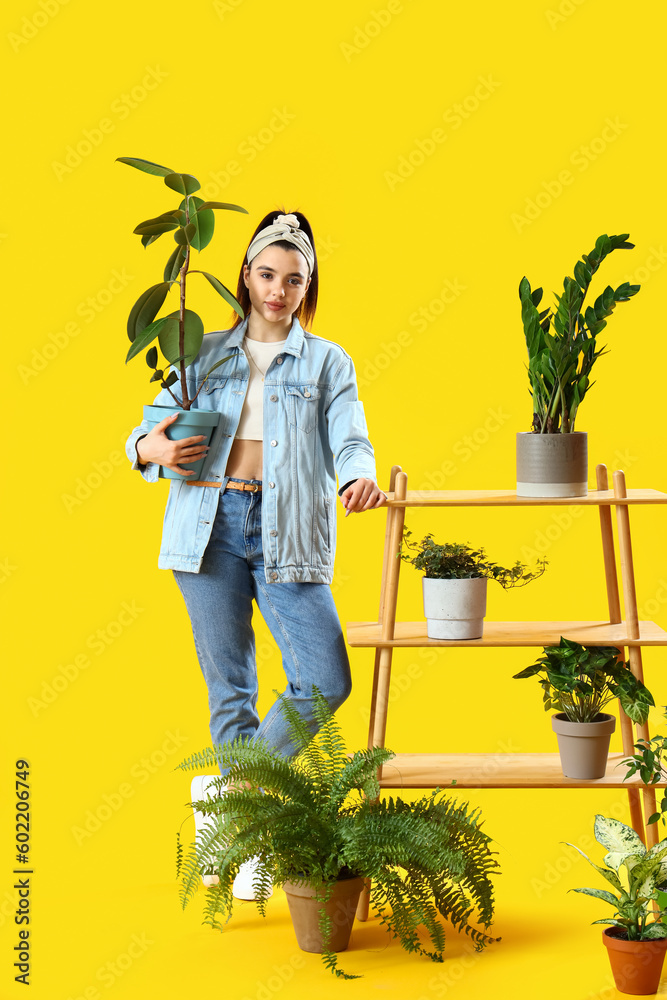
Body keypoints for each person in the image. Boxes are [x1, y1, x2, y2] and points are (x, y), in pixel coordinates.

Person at [125, 210, 385, 895]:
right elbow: (144, 435)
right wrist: (153, 448)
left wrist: (360, 474)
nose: (277, 289)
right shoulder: (202, 349)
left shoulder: (328, 361)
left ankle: (233, 794)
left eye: (293, 279)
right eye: (267, 274)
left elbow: (349, 435)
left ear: (308, 285)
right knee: (230, 687)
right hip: (206, 520)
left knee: (324, 677)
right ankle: (241, 854)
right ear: (244, 275)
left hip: (287, 526)